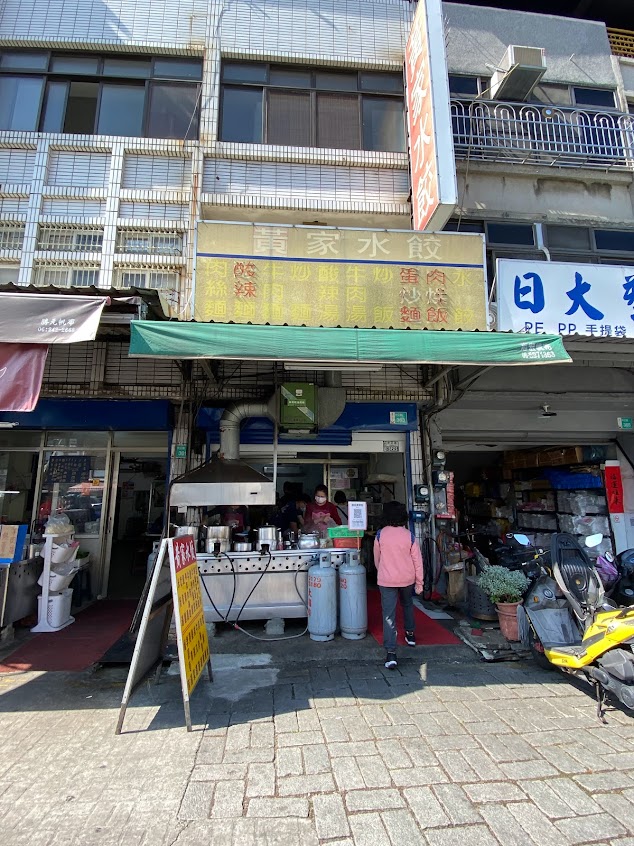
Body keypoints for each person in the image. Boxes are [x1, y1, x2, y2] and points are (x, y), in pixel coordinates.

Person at [374, 501, 424, 670]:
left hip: (386, 580)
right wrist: (419, 583)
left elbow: (377, 560)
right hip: (407, 579)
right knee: (408, 604)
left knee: (388, 615)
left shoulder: (380, 535)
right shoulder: (409, 535)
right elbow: (418, 562)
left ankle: (391, 654)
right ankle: (410, 635)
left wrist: (384, 571)